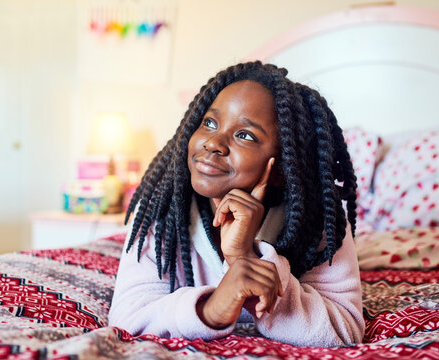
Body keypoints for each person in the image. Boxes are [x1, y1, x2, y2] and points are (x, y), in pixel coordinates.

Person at [108, 61, 365, 347]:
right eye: (209, 123)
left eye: (245, 135)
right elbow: (126, 320)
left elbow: (344, 330)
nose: (213, 142)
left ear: (282, 167)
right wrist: (212, 309)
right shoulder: (162, 211)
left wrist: (246, 256)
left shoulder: (320, 220)